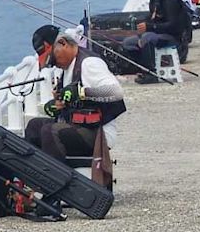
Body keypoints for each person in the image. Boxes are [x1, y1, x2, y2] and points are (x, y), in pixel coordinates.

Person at [26, 26, 126, 188]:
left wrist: (82, 92)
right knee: (34, 126)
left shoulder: (89, 63)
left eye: (52, 59)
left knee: (50, 131)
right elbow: (69, 101)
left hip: (97, 132)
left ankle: (55, 190)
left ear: (63, 43)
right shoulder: (66, 69)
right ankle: (31, 184)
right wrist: (57, 106)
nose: (54, 65)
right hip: (76, 127)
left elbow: (116, 92)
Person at [122, 0, 189, 84]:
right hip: (158, 34)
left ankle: (151, 73)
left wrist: (149, 27)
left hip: (173, 37)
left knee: (147, 38)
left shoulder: (169, 0)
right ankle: (143, 68)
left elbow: (172, 25)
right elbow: (153, 19)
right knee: (128, 43)